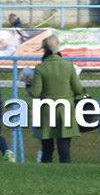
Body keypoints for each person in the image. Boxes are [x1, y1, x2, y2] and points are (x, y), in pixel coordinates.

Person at [29, 34, 84, 163]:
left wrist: (28, 85)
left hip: (47, 110)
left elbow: (35, 93)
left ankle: (46, 174)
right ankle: (66, 174)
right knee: (64, 148)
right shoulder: (68, 66)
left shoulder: (40, 68)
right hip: (65, 110)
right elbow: (78, 89)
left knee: (47, 149)